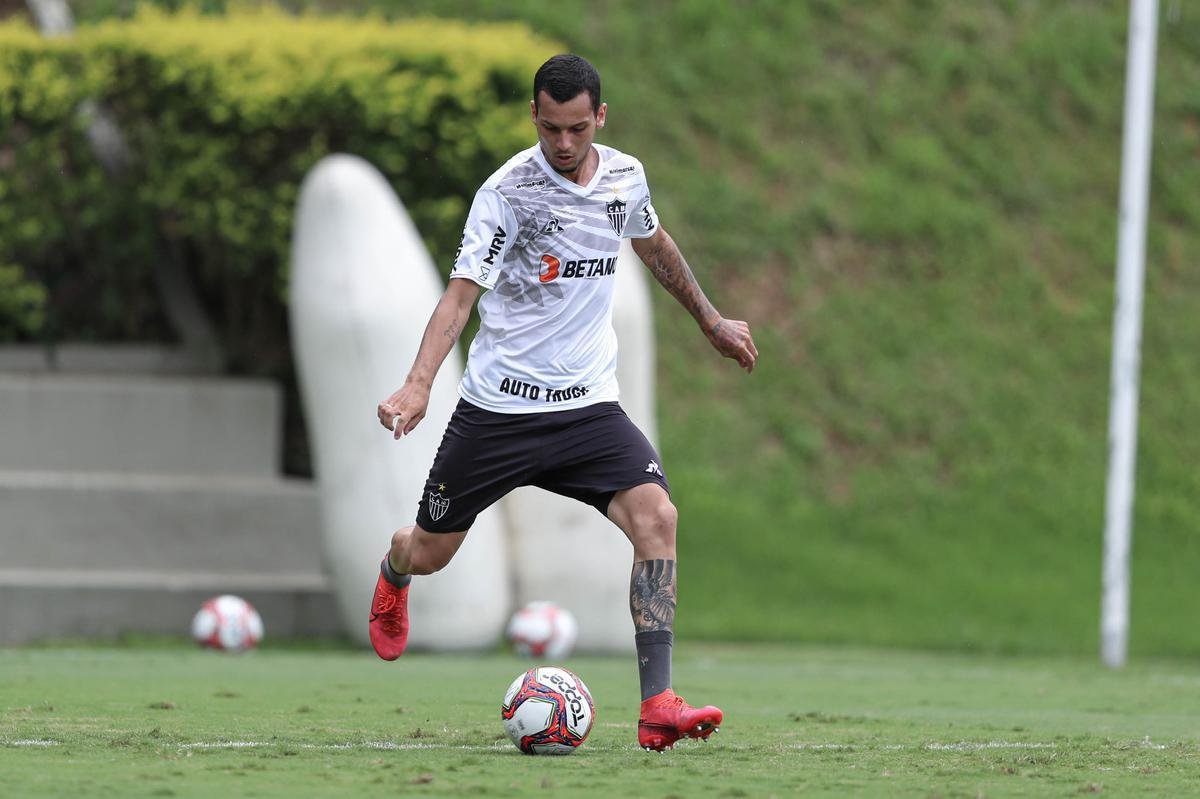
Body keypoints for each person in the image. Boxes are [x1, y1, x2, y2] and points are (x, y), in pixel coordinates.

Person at [369, 53, 758, 752]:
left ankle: (658, 703)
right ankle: (394, 570)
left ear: (599, 118)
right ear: (535, 117)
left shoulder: (625, 177)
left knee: (658, 516)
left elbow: (654, 242)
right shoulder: (507, 194)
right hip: (498, 413)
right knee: (431, 552)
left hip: (587, 410)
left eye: (578, 128)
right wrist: (421, 381)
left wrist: (711, 321)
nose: (565, 143)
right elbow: (462, 296)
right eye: (551, 128)